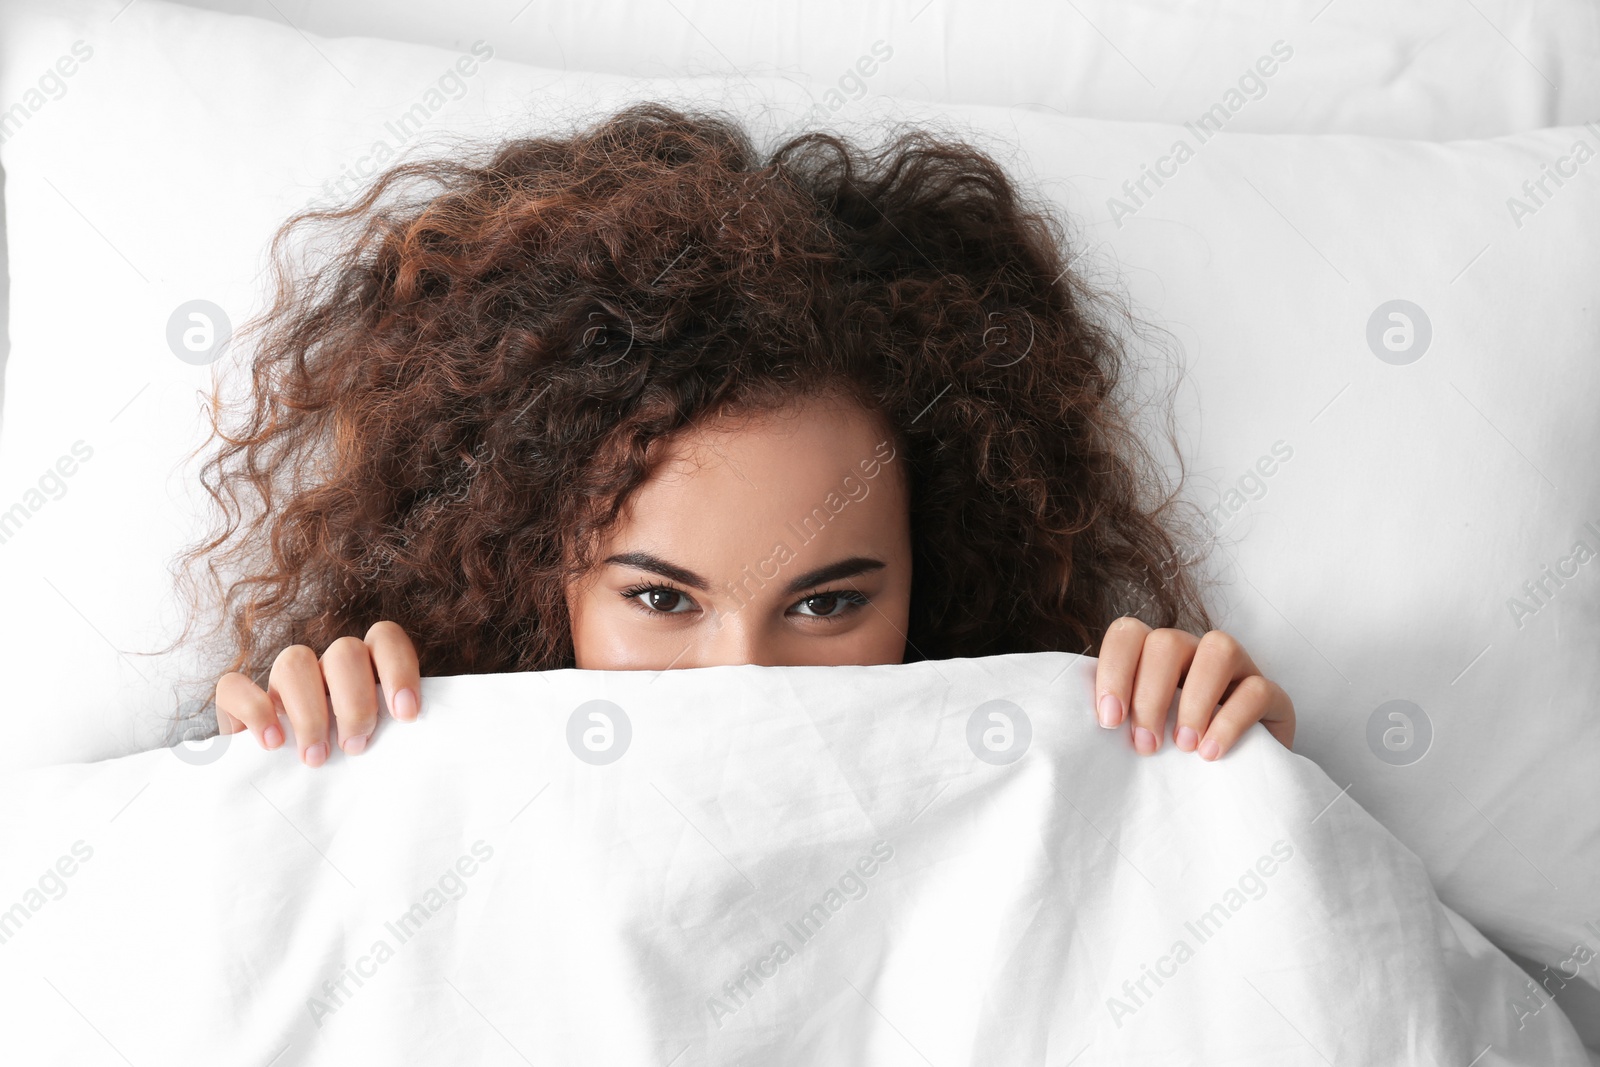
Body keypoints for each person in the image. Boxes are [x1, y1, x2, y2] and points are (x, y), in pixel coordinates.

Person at [169, 102, 1294, 767]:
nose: (744, 679)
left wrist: (1229, 776)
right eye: (660, 598)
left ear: (934, 579)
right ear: (529, 575)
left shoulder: (1038, 765)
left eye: (830, 602)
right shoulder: (419, 755)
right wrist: (282, 767)